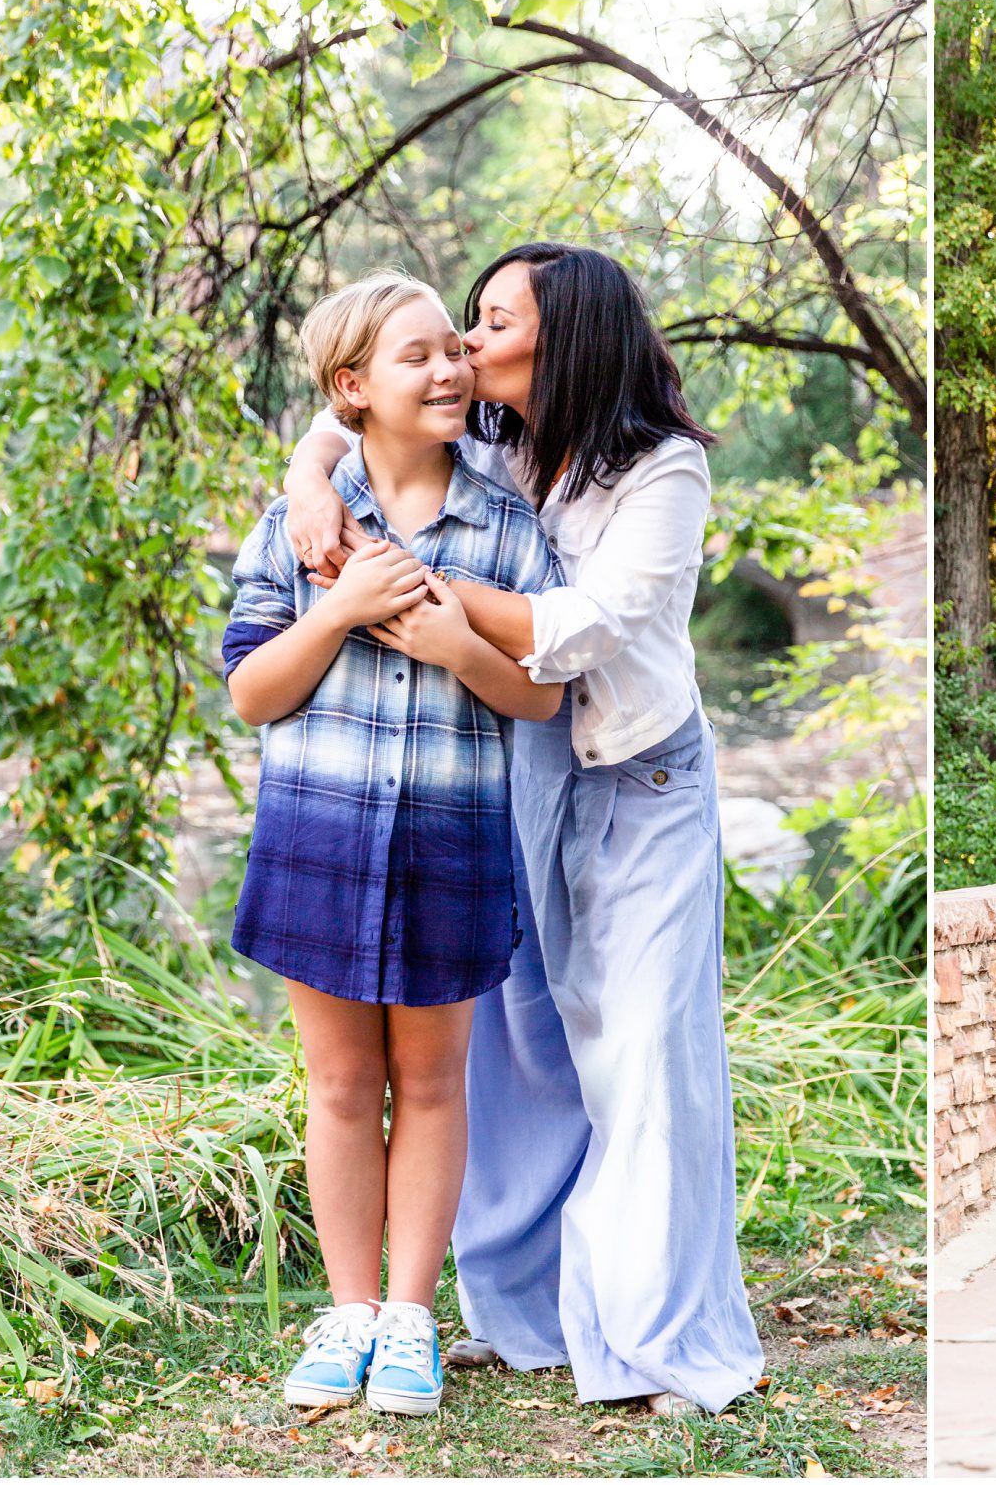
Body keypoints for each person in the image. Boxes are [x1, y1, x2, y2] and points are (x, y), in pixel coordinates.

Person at [281, 243, 765, 1416]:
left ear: (564, 339)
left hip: (641, 778)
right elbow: (349, 420)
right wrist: (308, 480)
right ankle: (525, 1313)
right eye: (463, 325)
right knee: (520, 1050)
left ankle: (653, 1341)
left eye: (490, 324)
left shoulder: (662, 469)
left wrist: (413, 593)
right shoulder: (490, 435)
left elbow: (589, 624)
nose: (466, 343)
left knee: (646, 1058)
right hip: (523, 770)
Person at [224, 272, 561, 1416]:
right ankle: (349, 1311)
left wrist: (458, 644)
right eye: (417, 357)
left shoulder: (506, 520)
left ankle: (411, 1318)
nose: (451, 370)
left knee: (430, 1081)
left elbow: (540, 699)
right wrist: (334, 607)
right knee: (337, 1082)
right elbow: (250, 695)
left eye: (453, 353)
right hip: (317, 841)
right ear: (351, 389)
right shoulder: (297, 523)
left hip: (450, 843)